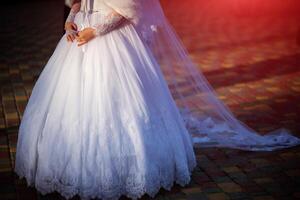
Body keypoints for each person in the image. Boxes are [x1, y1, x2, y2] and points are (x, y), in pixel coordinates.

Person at [14, 0, 300, 199]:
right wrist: (69, 22)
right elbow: (76, 3)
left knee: (121, 104)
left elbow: (129, 8)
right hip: (80, 37)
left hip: (109, 38)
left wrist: (96, 30)